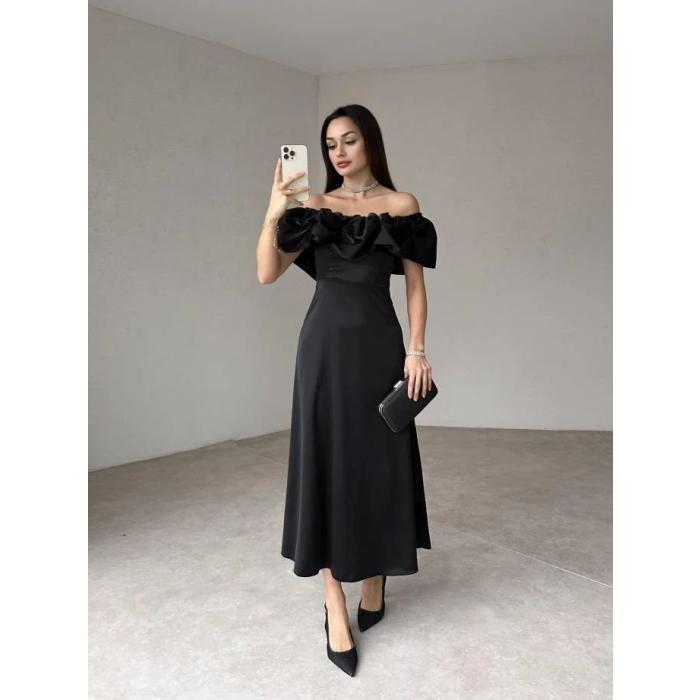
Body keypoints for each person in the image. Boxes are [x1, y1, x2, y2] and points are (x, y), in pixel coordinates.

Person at [256, 104, 437, 677]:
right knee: (328, 466)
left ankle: (376, 573)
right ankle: (334, 600)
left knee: (378, 464)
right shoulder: (314, 205)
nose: (338, 152)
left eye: (349, 140)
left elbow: (414, 286)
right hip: (322, 352)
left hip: (381, 348)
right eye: (330, 143)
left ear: (370, 143)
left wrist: (416, 350)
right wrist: (276, 204)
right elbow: (266, 272)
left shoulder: (401, 205)